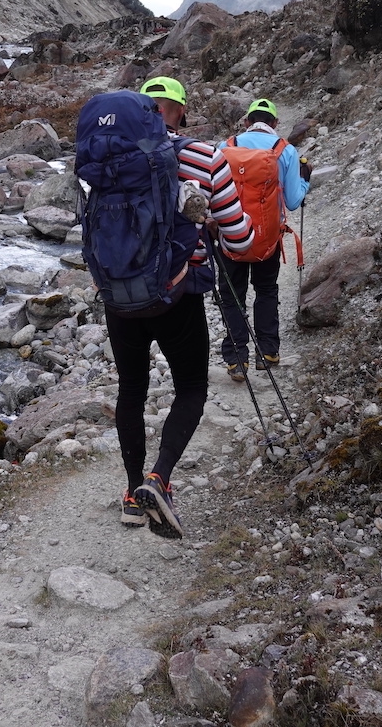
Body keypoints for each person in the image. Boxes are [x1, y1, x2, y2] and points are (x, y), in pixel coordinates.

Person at [107, 76, 252, 538]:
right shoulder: (205, 157)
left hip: (119, 296)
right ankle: (159, 478)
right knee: (191, 387)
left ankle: (132, 495)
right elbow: (239, 239)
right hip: (178, 294)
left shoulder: (107, 157)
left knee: (131, 389)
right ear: (181, 112)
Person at [216, 98, 311, 383]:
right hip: (267, 237)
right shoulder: (285, 150)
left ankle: (237, 358)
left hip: (230, 235)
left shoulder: (225, 147)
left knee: (232, 296)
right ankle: (267, 352)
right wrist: (305, 180)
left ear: (247, 121)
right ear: (275, 123)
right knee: (266, 290)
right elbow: (293, 201)